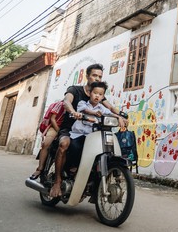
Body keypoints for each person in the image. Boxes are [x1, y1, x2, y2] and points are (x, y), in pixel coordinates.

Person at [50, 63, 125, 198]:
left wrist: (121, 116)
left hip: (90, 131)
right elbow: (67, 101)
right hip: (70, 128)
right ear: (87, 76)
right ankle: (57, 181)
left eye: (100, 76)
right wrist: (73, 112)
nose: (97, 78)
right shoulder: (75, 90)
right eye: (94, 75)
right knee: (64, 144)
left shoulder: (99, 95)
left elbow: (111, 109)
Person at [29, 100, 66, 180]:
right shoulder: (61, 104)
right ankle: (40, 169)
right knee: (46, 144)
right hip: (55, 127)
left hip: (67, 130)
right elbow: (53, 119)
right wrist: (58, 131)